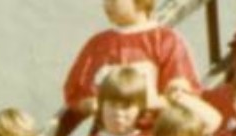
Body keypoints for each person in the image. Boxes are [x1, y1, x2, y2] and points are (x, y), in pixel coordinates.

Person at [60, 0, 202, 122]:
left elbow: (183, 93)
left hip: (154, 132)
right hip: (108, 133)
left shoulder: (165, 40)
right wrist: (88, 104)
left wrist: (152, 102)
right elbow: (76, 90)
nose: (106, 5)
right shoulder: (98, 43)